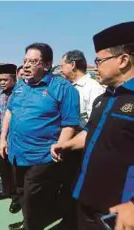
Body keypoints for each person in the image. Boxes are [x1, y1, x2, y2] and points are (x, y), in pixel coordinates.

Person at [51, 21, 134, 230]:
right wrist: (67, 145)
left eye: (100, 60)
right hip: (86, 198)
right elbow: (90, 131)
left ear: (123, 60)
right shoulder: (104, 97)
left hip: (119, 211)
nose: (95, 66)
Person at [0, 43, 80, 230]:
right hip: (17, 154)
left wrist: (61, 146)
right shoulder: (20, 86)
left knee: (32, 200)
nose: (26, 65)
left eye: (33, 61)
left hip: (42, 158)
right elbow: (9, 113)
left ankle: (31, 225)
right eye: (25, 61)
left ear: (46, 65)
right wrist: (3, 138)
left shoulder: (63, 88)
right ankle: (30, 221)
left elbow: (70, 124)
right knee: (21, 193)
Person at [54, 50, 106, 229]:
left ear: (73, 65)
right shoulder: (67, 88)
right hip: (68, 146)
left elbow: (95, 124)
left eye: (62, 66)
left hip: (83, 149)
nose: (61, 70)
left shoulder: (93, 88)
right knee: (68, 186)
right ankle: (69, 220)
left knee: (80, 188)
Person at [0, 64, 21, 214]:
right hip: (1, 138)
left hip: (14, 139)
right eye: (0, 80)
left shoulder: (19, 95)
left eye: (5, 80)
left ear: (13, 80)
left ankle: (17, 198)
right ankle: (6, 191)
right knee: (3, 166)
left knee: (15, 169)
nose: (1, 82)